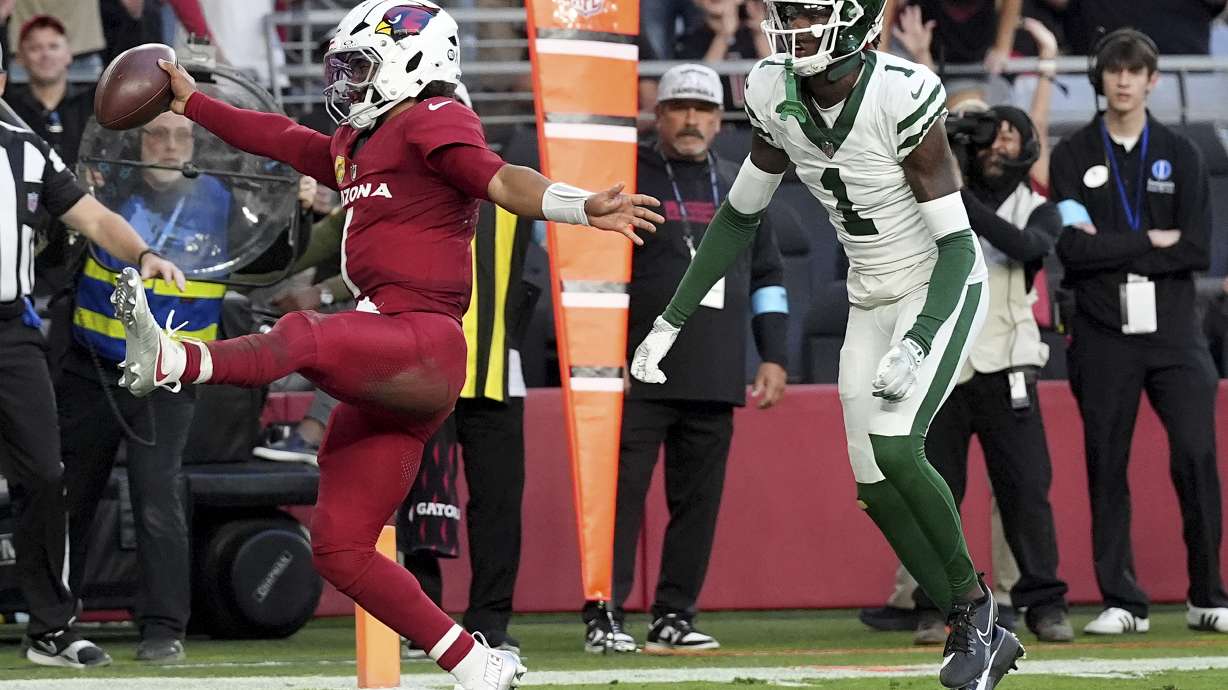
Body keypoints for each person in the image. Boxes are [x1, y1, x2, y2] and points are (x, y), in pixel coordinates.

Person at [111, 2, 662, 689]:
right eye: (340, 68)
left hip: (423, 340)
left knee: (305, 336)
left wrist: (580, 205)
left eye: (358, 67)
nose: (345, 83)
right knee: (339, 547)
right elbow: (279, 136)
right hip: (389, 358)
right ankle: (475, 663)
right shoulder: (359, 142)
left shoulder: (434, 118)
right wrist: (193, 105)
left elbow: (499, 179)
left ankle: (178, 360)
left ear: (415, 61)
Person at [631, 2, 1022, 688]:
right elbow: (738, 218)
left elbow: (960, 247)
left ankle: (975, 613)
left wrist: (923, 336)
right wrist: (671, 319)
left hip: (936, 284)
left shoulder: (900, 94)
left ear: (858, 24)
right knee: (872, 486)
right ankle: (975, 618)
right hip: (868, 293)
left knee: (899, 446)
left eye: (812, 16)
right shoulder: (772, 92)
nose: (796, 29)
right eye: (792, 15)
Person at [582, 63, 788, 654]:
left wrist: (773, 356)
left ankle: (674, 614)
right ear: (658, 114)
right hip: (633, 372)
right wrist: (601, 355)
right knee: (617, 501)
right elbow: (592, 272)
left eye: (704, 109)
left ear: (721, 121)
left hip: (715, 370)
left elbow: (768, 276)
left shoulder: (743, 185)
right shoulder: (625, 178)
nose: (692, 119)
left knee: (696, 506)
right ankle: (604, 614)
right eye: (680, 107)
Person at [0, 51, 185, 668]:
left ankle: (50, 628)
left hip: (10, 331)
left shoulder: (26, 151)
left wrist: (144, 254)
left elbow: (95, 217)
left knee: (48, 476)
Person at [1050, 27, 1228, 636]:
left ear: (1153, 80)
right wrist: (1151, 241)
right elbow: (1072, 250)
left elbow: (1199, 250)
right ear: (1100, 79)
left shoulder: (1181, 152)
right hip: (1102, 332)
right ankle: (1122, 601)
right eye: (1114, 70)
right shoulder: (1073, 155)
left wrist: (1116, 249)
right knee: (1106, 460)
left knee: (1197, 454)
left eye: (1135, 71)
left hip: (1175, 333)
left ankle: (1209, 594)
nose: (1123, 81)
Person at [56, 111, 230, 663]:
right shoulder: (105, 188)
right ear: (137, 141)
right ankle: (55, 617)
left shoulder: (227, 203)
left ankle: (162, 626)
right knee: (71, 494)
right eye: (157, 134)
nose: (170, 146)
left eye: (182, 136)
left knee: (157, 494)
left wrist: (300, 208)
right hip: (94, 366)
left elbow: (275, 258)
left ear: (196, 145)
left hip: (171, 370)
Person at [909, 104, 1073, 643]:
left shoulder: (1040, 207)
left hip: (1009, 365)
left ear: (1028, 145)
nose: (998, 146)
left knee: (1026, 489)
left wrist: (957, 197)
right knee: (939, 491)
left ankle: (1044, 602)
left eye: (1010, 136)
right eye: (988, 136)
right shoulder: (933, 199)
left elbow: (1027, 246)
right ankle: (938, 604)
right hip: (945, 364)